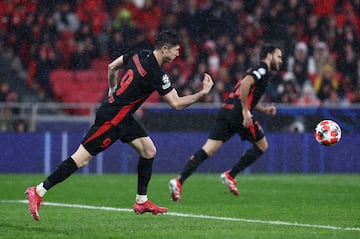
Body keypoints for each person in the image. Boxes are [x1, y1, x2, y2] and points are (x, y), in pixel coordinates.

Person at [25, 30, 214, 220]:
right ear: (165, 49)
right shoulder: (157, 74)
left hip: (121, 115)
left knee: (149, 151)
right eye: (176, 50)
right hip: (112, 119)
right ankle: (38, 191)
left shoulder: (140, 54)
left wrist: (113, 91)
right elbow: (177, 104)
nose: (177, 54)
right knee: (81, 159)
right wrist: (202, 93)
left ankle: (141, 200)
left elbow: (112, 66)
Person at [169, 45, 282, 201]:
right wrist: (244, 111)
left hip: (227, 110)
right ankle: (231, 174)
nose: (280, 60)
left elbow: (246, 94)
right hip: (238, 114)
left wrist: (264, 110)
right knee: (262, 146)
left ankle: (179, 181)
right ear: (269, 56)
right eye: (279, 56)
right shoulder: (263, 69)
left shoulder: (255, 69)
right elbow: (245, 84)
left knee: (207, 149)